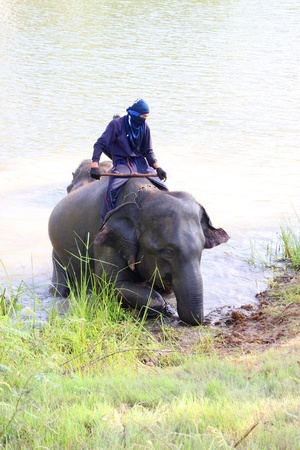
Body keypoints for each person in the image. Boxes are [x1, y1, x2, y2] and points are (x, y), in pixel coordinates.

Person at [90, 98, 168, 219]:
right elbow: (99, 144)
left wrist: (158, 167)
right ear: (135, 113)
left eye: (146, 116)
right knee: (112, 191)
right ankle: (106, 222)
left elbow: (148, 151)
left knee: (164, 189)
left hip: (140, 163)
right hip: (122, 163)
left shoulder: (144, 126)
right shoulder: (116, 124)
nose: (144, 118)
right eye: (143, 116)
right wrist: (95, 166)